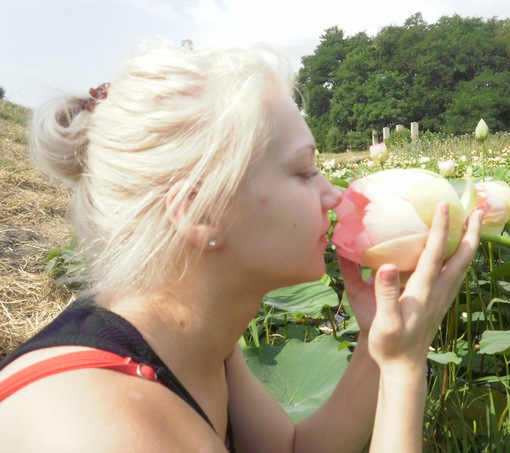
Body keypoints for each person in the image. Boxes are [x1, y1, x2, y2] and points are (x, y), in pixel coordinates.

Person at [0, 40, 482, 452]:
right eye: (304, 171)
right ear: (199, 211)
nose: (334, 194)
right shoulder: (96, 428)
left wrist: (379, 345)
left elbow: (292, 450)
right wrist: (404, 369)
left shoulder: (194, 342)